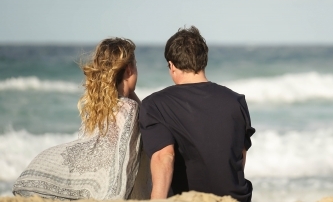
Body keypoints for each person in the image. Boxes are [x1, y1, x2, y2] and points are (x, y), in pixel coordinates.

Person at [12, 38, 146, 200]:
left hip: (44, 162)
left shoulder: (97, 106)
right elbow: (147, 125)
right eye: (135, 65)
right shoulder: (130, 108)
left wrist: (128, 90)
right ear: (130, 70)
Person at [139, 26, 255, 202]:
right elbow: (239, 156)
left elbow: (164, 157)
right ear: (203, 61)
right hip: (235, 198)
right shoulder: (236, 101)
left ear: (171, 65)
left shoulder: (155, 105)